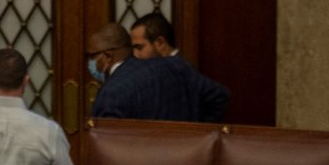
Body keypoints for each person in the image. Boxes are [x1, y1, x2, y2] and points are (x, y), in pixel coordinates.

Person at [88, 23, 229, 124]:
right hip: (187, 160)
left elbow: (108, 148)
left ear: (107, 56)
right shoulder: (175, 66)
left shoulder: (111, 93)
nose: (89, 63)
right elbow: (219, 95)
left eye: (91, 56)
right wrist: (199, 137)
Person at [128, 12, 230, 122]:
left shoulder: (180, 68)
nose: (135, 54)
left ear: (160, 43)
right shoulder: (165, 67)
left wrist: (200, 130)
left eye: (139, 47)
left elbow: (219, 95)